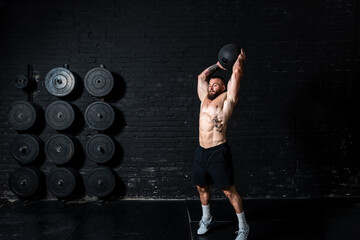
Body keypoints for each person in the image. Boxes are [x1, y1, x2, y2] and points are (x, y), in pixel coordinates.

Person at [192, 49, 249, 240]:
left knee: (228, 190)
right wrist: (219, 65)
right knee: (202, 187)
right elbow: (201, 77)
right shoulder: (203, 100)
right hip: (201, 152)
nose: (212, 86)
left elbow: (236, 75)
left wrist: (238, 61)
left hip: (218, 151)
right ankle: (207, 219)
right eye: (211, 84)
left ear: (223, 88)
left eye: (216, 85)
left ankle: (243, 227)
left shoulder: (227, 100)